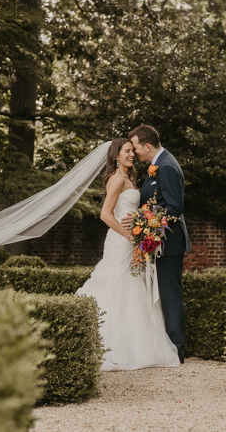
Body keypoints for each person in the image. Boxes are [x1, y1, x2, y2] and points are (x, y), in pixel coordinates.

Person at [76, 138, 180, 371]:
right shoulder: (116, 179)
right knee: (117, 284)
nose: (131, 155)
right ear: (116, 156)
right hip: (121, 241)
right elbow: (105, 214)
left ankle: (137, 345)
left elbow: (135, 210)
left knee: (134, 286)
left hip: (133, 239)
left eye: (132, 151)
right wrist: (129, 236)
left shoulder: (130, 179)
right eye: (126, 151)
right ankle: (111, 345)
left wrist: (143, 225)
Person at [125, 125, 190, 364]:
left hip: (169, 241)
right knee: (164, 293)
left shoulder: (168, 166)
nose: (135, 153)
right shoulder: (159, 165)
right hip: (161, 239)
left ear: (148, 146)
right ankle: (170, 346)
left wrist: (144, 218)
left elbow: (175, 207)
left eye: (136, 148)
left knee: (170, 294)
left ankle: (177, 350)